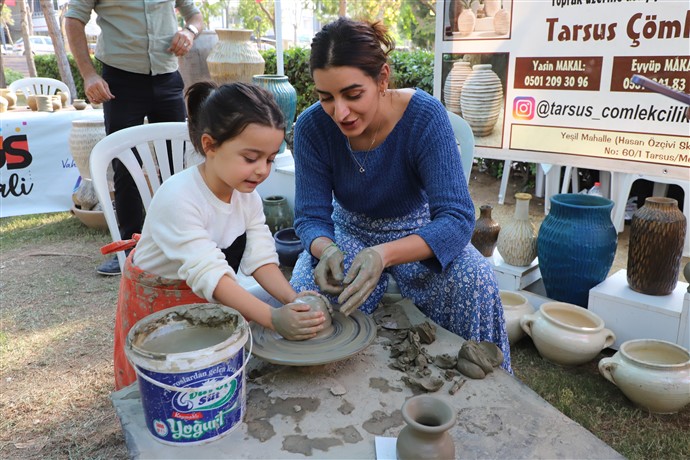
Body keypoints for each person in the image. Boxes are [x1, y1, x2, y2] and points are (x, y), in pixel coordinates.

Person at [290, 18, 511, 372]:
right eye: (325, 97)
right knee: (307, 299)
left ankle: (488, 388)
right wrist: (325, 248)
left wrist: (384, 254)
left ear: (383, 79)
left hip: (418, 235)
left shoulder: (424, 117)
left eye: (352, 94)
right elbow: (310, 217)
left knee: (477, 280)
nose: (340, 112)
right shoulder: (313, 127)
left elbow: (456, 218)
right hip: (348, 234)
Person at [112, 82, 327, 389]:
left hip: (205, 291)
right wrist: (273, 318)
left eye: (269, 159)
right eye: (250, 158)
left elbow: (261, 258)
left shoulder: (246, 196)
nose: (262, 171)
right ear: (210, 145)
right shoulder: (179, 198)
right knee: (162, 381)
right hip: (157, 300)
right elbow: (210, 274)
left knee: (205, 378)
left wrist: (293, 300)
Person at [65, 0, 204, 276]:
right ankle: (130, 251)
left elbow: (195, 15)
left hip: (167, 77)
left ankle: (178, 242)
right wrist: (89, 75)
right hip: (120, 81)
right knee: (125, 166)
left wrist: (189, 32)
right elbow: (73, 20)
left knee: (176, 164)